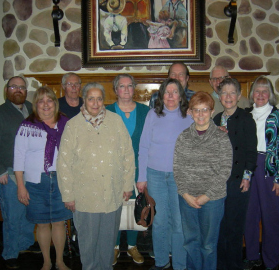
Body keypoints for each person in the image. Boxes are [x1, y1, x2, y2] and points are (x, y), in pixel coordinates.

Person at [57, 82, 135, 270]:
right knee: (88, 243)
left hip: (112, 193)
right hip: (85, 197)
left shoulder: (116, 121)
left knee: (108, 243)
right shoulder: (73, 125)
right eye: (91, 98)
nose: (95, 103)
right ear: (84, 100)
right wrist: (67, 195)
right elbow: (64, 163)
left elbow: (128, 154)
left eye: (99, 98)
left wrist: (127, 185)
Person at [14, 87, 72, 270]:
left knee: (59, 222)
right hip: (36, 182)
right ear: (35, 105)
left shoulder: (66, 123)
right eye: (41, 101)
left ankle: (60, 261)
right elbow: (18, 157)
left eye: (50, 100)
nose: (46, 104)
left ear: (55, 103)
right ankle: (46, 261)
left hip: (62, 181)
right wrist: (20, 186)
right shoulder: (27, 126)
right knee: (42, 224)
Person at [137, 78, 193, 270]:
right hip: (155, 176)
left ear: (181, 95)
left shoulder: (190, 115)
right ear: (161, 95)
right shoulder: (153, 114)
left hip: (180, 176)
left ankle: (179, 265)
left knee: (179, 223)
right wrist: (141, 177)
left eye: (175, 91)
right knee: (159, 221)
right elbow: (143, 147)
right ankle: (161, 262)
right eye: (167, 92)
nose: (170, 95)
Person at [173, 91, 232, 270]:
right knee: (191, 242)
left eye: (204, 110)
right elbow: (178, 168)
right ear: (190, 112)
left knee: (207, 245)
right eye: (196, 110)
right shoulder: (183, 137)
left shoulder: (221, 137)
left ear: (212, 111)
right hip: (187, 199)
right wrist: (185, 194)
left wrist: (207, 196)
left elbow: (225, 171)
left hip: (213, 200)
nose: (200, 114)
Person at [0, 76, 37, 269]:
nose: (18, 90)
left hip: (32, 172)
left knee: (29, 213)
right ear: (7, 90)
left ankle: (25, 245)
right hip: (9, 172)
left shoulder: (33, 109)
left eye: (22, 87)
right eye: (14, 87)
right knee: (13, 216)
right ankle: (10, 253)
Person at [243, 76, 279, 270]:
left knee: (270, 218)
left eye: (265, 91)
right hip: (249, 168)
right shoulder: (245, 115)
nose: (260, 94)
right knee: (249, 215)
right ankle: (252, 255)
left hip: (270, 169)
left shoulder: (278, 116)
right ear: (252, 94)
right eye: (257, 90)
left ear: (270, 94)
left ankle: (271, 261)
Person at [213, 78, 258, 270]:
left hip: (239, 180)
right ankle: (220, 264)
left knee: (234, 226)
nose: (228, 97)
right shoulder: (215, 120)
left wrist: (247, 177)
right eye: (224, 93)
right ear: (219, 97)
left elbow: (251, 151)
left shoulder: (246, 118)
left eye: (232, 93)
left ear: (239, 96)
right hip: (218, 180)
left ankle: (233, 265)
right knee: (220, 226)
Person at [106, 74, 149, 265]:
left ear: (134, 89)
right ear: (115, 90)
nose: (125, 90)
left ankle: (132, 245)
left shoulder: (145, 111)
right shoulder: (106, 111)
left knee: (135, 207)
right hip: (112, 169)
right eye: (121, 86)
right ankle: (114, 247)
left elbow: (150, 142)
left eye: (129, 86)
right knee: (114, 208)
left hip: (139, 168)